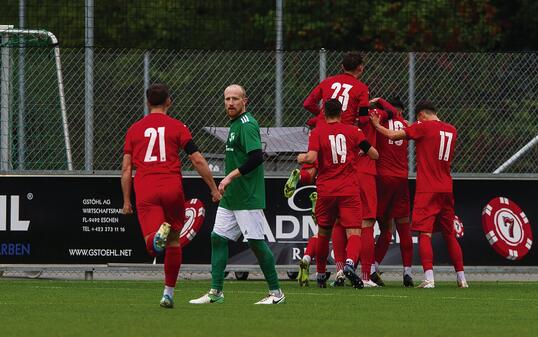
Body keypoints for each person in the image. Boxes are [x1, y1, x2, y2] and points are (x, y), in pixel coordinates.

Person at [121, 83, 221, 308]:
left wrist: (127, 201)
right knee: (174, 242)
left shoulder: (134, 129)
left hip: (145, 188)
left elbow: (126, 169)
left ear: (148, 103)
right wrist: (213, 189)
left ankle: (157, 239)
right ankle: (168, 293)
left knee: (151, 245)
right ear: (169, 101)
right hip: (172, 188)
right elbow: (197, 159)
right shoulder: (178, 127)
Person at [190, 84, 286, 304]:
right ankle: (216, 292)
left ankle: (276, 293)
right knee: (217, 238)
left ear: (245, 101)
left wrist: (230, 176)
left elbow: (256, 157)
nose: (230, 103)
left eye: (235, 98)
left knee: (255, 243)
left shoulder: (247, 124)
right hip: (233, 197)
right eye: (227, 99)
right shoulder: (234, 124)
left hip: (247, 196)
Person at [287, 52, 370, 287]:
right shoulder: (361, 88)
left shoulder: (326, 83)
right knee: (351, 224)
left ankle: (321, 272)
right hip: (346, 138)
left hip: (322, 134)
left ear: (341, 66)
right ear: (360, 68)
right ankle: (348, 268)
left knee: (316, 171)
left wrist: (322, 117)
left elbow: (308, 104)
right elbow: (363, 119)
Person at [371, 101, 468, 288]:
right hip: (446, 187)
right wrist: (411, 124)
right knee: (449, 234)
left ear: (421, 116)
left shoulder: (422, 127)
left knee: (425, 233)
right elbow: (420, 129)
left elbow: (392, 134)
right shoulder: (451, 129)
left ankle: (429, 278)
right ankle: (461, 278)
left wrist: (376, 125)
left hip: (428, 188)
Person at [298, 99, 378, 288]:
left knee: (324, 232)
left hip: (326, 190)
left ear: (324, 114)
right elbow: (374, 154)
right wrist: (360, 153)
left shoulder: (318, 132)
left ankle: (319, 274)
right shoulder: (353, 131)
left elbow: (311, 158)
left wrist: (300, 157)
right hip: (349, 189)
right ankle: (350, 264)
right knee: (355, 231)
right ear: (341, 113)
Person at [370, 97, 414, 287]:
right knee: (403, 225)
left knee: (374, 224)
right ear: (402, 111)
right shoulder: (405, 124)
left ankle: (369, 268)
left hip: (382, 179)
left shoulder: (379, 122)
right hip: (401, 179)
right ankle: (408, 272)